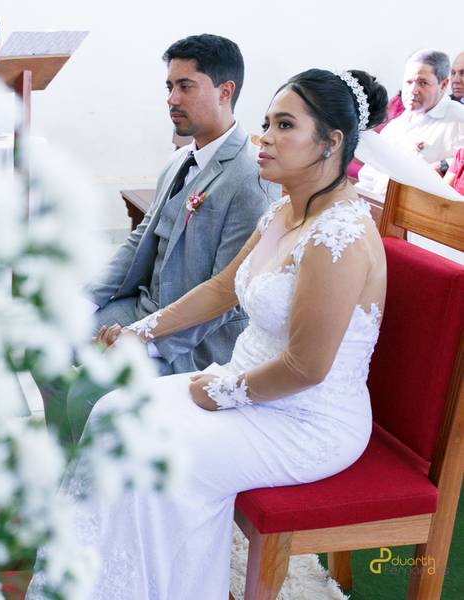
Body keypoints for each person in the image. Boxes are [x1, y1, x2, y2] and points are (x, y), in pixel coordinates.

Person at [27, 68, 389, 599]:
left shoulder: (341, 235)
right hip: (247, 385)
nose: (264, 138)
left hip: (307, 417)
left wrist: (219, 391)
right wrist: (141, 331)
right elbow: (223, 288)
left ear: (331, 142)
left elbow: (307, 368)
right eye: (266, 123)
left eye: (284, 125)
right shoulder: (282, 212)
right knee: (112, 414)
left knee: (155, 453)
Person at [42, 34, 279, 449]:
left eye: (185, 86)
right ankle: (64, 465)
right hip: (142, 307)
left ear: (226, 91)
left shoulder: (249, 179)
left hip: (196, 339)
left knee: (88, 391)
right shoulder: (179, 160)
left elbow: (231, 295)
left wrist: (149, 346)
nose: (172, 98)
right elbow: (140, 241)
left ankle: (97, 494)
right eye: (169, 86)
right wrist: (86, 300)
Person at [357, 49, 464, 195]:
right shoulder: (396, 124)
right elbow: (368, 177)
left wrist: (445, 165)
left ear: (443, 84)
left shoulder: (458, 117)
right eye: (408, 82)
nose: (413, 90)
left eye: (423, 83)